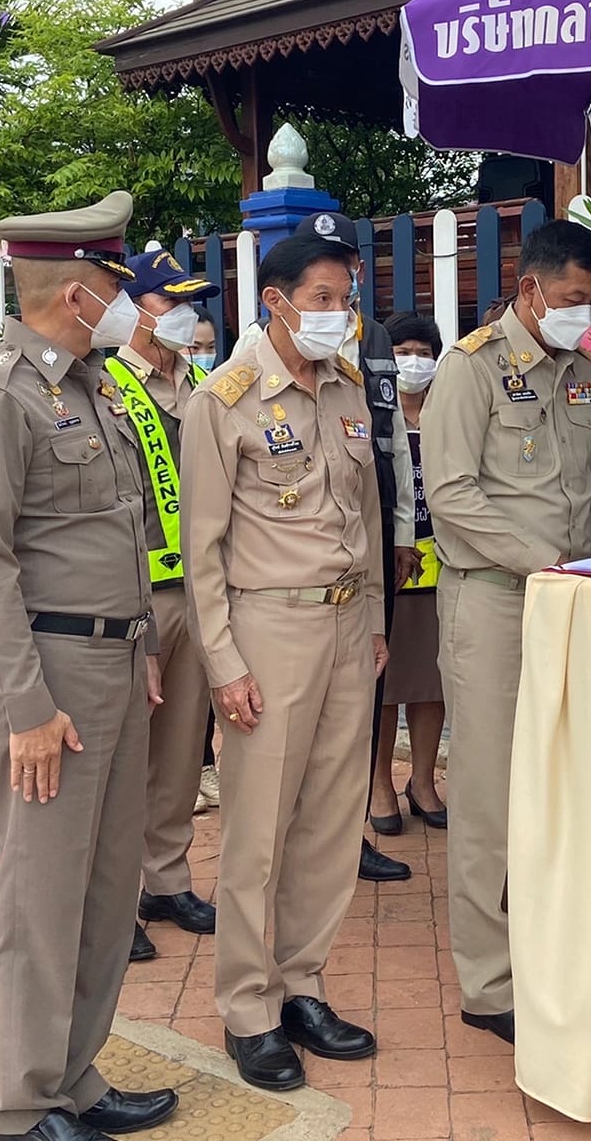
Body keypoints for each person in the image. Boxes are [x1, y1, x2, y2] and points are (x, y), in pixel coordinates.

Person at [0, 195, 179, 1141]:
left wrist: (143, 645)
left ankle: (72, 1073)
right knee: (40, 897)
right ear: (77, 292)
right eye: (117, 285)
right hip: (50, 672)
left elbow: (119, 530)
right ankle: (20, 1100)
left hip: (116, 661)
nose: (128, 302)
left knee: (106, 887)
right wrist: (26, 705)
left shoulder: (94, 385)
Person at [182, 233, 387, 1093]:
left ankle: (302, 983)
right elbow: (201, 549)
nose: (339, 312)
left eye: (345, 297)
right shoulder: (223, 399)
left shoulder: (346, 385)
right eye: (323, 297)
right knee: (258, 830)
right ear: (276, 300)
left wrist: (375, 622)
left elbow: (366, 513)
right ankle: (248, 1008)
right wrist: (223, 662)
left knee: (332, 823)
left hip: (348, 625)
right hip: (269, 628)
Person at [422, 219, 591, 1045]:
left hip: (572, 598)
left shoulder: (577, 371)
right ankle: (488, 979)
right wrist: (546, 564)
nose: (587, 315)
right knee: (488, 792)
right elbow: (452, 494)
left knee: (560, 780)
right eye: (575, 298)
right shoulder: (470, 368)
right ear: (531, 288)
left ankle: (545, 947)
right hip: (496, 601)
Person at [291, 211, 417, 885]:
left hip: (372, 529)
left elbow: (392, 440)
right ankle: (301, 832)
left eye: (348, 262)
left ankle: (354, 824)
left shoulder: (375, 338)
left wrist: (401, 533)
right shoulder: (276, 337)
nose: (342, 278)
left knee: (365, 686)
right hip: (306, 543)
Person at [112, 246, 224, 959]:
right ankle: (112, 898)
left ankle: (166, 877)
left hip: (200, 592)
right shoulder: (108, 384)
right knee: (125, 754)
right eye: (170, 303)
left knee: (182, 750)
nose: (185, 316)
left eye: (191, 303)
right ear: (134, 311)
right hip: (136, 596)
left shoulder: (205, 382)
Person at [370, 312, 447, 833]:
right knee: (384, 685)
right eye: (403, 353)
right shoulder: (374, 409)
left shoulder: (447, 408)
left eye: (423, 353)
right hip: (387, 568)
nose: (413, 363)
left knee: (430, 682)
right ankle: (378, 785)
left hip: (440, 566)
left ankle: (423, 782)